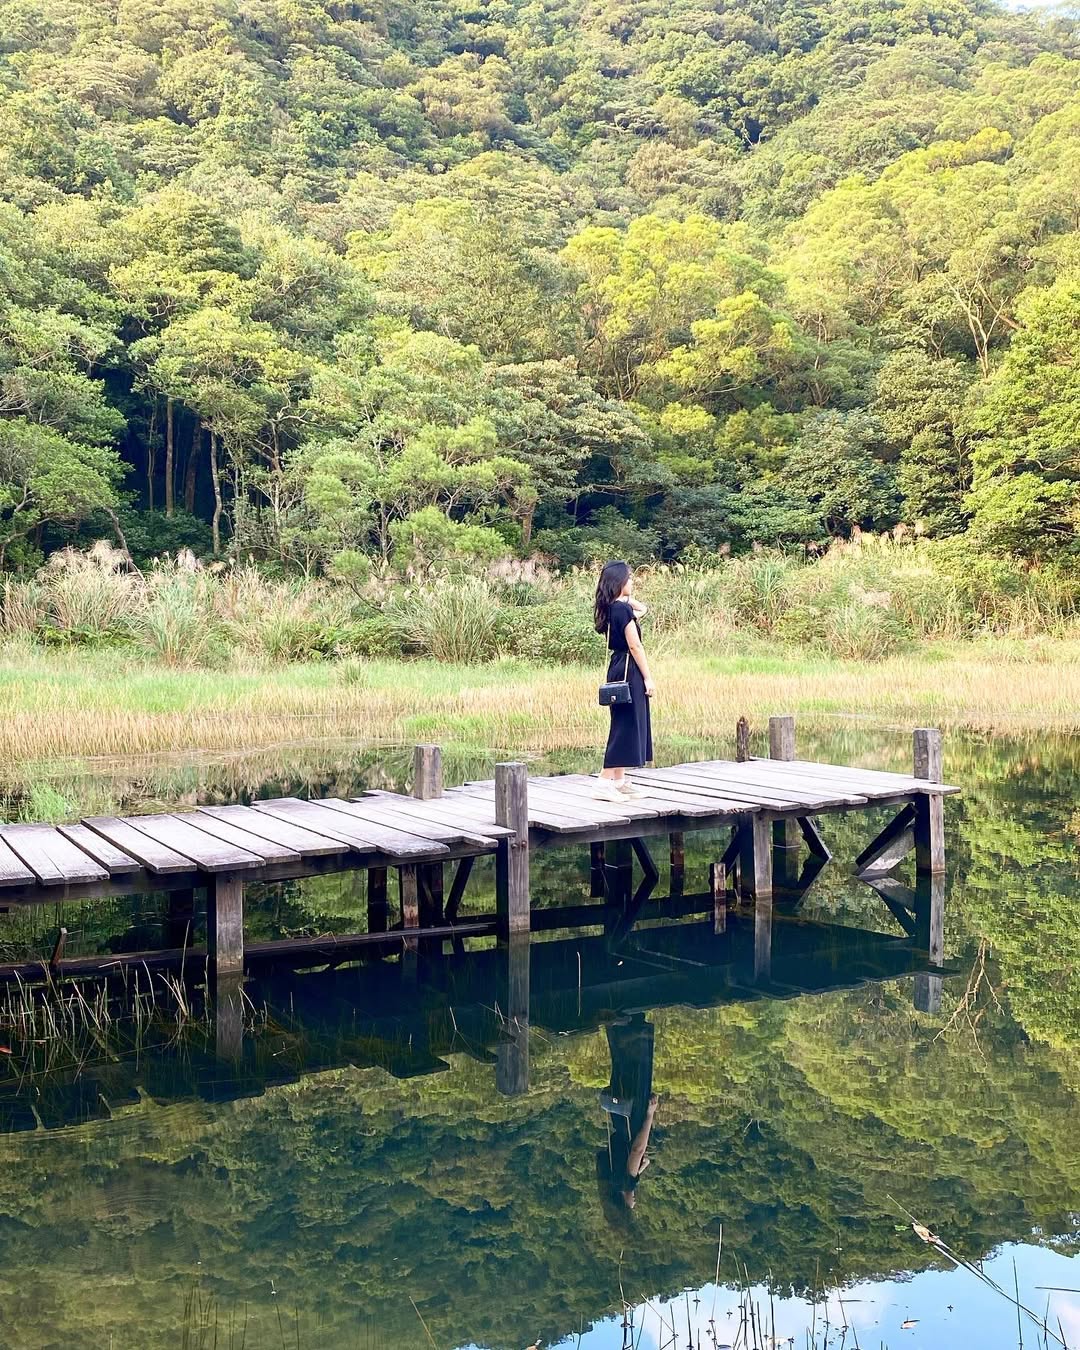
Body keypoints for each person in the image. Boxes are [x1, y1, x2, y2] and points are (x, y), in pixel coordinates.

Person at [594, 560, 654, 801]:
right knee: (624, 725)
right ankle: (603, 780)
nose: (632, 581)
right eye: (628, 578)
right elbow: (635, 645)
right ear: (619, 581)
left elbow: (644, 609)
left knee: (625, 721)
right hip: (629, 667)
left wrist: (626, 598)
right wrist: (648, 677)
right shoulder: (620, 610)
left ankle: (618, 781)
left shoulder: (614, 608)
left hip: (618, 666)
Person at [597, 1013, 659, 1216]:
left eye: (633, 1204)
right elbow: (629, 1162)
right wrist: (639, 1171)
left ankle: (634, 1026)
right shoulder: (613, 1181)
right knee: (620, 1076)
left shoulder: (628, 1183)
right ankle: (617, 1027)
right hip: (619, 1118)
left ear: (624, 1202)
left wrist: (650, 1115)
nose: (635, 1201)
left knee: (637, 1072)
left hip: (633, 1118)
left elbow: (637, 1150)